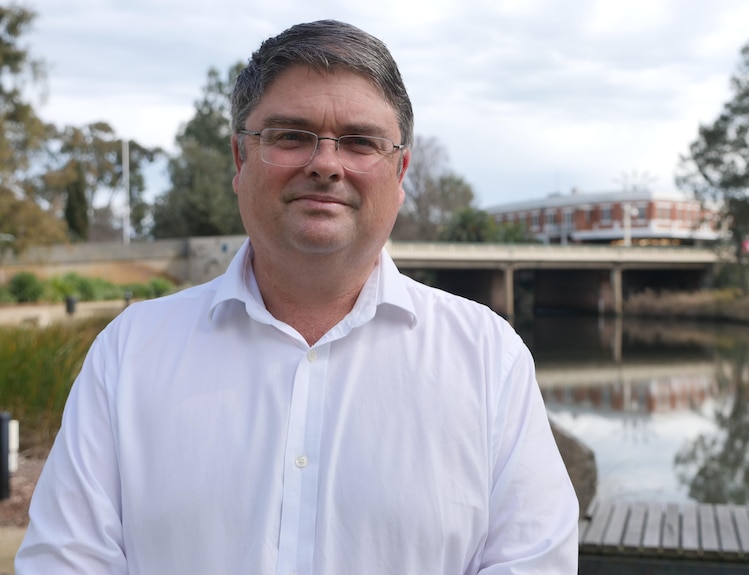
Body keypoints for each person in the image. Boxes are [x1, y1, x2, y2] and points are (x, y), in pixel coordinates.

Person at [16, 20, 579, 574]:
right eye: (291, 135)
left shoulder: (488, 359)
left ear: (400, 170)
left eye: (360, 142)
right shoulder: (128, 354)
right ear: (240, 159)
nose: (325, 164)